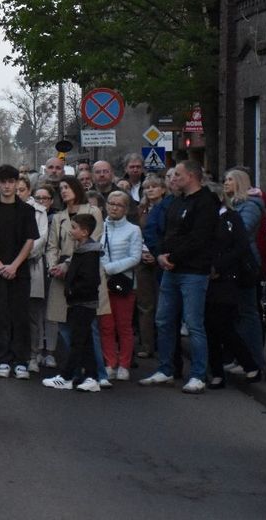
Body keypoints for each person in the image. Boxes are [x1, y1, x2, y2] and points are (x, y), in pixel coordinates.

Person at [140, 160, 218, 393]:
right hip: (170, 270)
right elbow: (167, 231)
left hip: (193, 271)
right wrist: (160, 253)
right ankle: (166, 369)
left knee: (194, 324)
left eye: (178, 175)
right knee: (163, 320)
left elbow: (199, 238)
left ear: (192, 176)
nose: (173, 178)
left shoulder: (205, 203)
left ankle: (198, 374)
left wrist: (172, 255)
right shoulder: (175, 202)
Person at [0, 164, 39, 380]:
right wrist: (0, 266)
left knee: (20, 316)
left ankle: (21, 360)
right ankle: (2, 359)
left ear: (16, 183)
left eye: (11, 182)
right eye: (2, 182)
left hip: (19, 272)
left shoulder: (27, 211)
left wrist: (14, 265)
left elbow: (30, 240)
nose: (7, 186)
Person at [44, 176, 103, 369]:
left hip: (84, 273)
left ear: (77, 188)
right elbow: (52, 246)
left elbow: (93, 243)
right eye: (61, 188)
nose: (63, 191)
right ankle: (77, 366)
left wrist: (68, 265)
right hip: (60, 276)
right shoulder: (59, 217)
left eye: (67, 187)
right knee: (62, 324)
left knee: (88, 326)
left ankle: (97, 372)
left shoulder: (92, 211)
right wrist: (54, 266)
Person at [205, 183, 260, 388]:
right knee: (210, 326)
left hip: (227, 278)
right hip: (207, 277)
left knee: (223, 324)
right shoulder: (204, 220)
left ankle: (249, 364)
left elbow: (241, 247)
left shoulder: (231, 217)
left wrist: (218, 266)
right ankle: (217, 372)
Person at [42, 214, 103, 392]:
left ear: (84, 232)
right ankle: (92, 376)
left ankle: (67, 376)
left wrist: (71, 289)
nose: (71, 230)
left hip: (83, 302)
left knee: (78, 341)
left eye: (74, 227)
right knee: (86, 341)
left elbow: (89, 280)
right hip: (80, 301)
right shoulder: (82, 249)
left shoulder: (89, 253)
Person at [223, 168, 266, 376]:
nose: (226, 183)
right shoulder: (233, 205)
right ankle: (241, 357)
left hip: (245, 264)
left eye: (230, 179)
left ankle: (254, 359)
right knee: (237, 312)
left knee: (248, 312)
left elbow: (243, 229)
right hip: (235, 263)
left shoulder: (250, 205)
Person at [98, 191, 142, 381]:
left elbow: (135, 257)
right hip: (102, 283)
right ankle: (110, 362)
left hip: (123, 283)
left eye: (119, 205)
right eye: (111, 203)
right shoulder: (99, 226)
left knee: (123, 326)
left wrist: (109, 268)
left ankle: (124, 364)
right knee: (106, 326)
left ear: (126, 209)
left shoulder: (133, 230)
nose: (114, 207)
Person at [16, 175, 49, 374]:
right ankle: (16, 353)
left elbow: (41, 238)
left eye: (22, 189)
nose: (19, 193)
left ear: (29, 191)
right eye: (16, 189)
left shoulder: (39, 211)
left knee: (33, 315)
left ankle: (33, 354)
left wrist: (21, 254)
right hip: (11, 266)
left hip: (31, 264)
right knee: (14, 313)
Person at [136, 174, 168, 358]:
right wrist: (142, 252)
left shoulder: (167, 208)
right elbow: (137, 233)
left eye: (154, 186)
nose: (150, 190)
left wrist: (157, 255)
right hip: (142, 258)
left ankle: (164, 345)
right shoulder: (141, 210)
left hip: (162, 259)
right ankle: (147, 345)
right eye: (147, 187)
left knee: (163, 304)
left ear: (163, 189)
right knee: (145, 305)